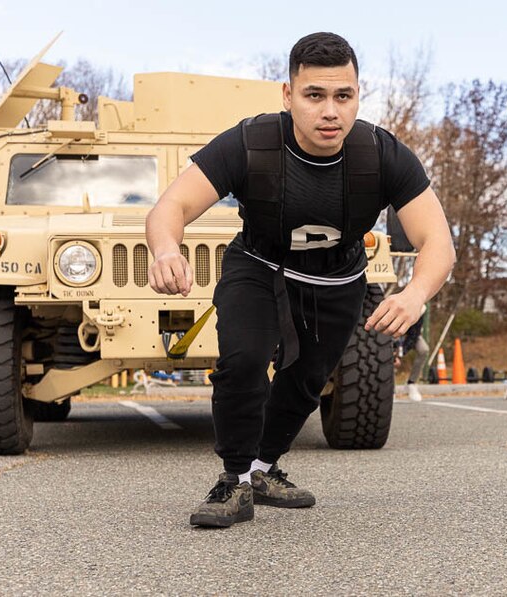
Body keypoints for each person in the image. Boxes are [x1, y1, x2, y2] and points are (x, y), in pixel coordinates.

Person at [145, 32, 455, 528]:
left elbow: (437, 240)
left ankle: (265, 468)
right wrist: (165, 249)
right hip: (259, 267)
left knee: (307, 381)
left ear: (358, 94)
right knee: (243, 361)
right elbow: (172, 207)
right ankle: (234, 481)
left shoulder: (383, 154)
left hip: (337, 281)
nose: (330, 111)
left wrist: (416, 292)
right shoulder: (251, 142)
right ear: (288, 96)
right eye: (315, 96)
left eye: (343, 96)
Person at [395, 304, 430, 401]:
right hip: (394, 331)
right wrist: (396, 353)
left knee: (423, 349)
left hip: (410, 334)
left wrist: (402, 353)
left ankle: (411, 383)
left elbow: (413, 335)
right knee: (390, 352)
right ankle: (390, 389)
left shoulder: (421, 309)